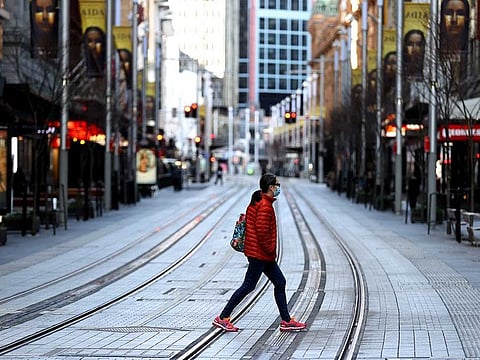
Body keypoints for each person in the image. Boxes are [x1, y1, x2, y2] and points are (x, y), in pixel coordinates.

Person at [212, 173, 306, 332]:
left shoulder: (260, 201)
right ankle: (222, 317)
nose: (278, 188)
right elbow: (262, 233)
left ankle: (286, 320)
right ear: (270, 187)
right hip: (260, 255)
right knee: (248, 286)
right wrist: (271, 249)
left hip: (262, 255)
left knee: (280, 282)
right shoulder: (264, 205)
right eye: (277, 185)